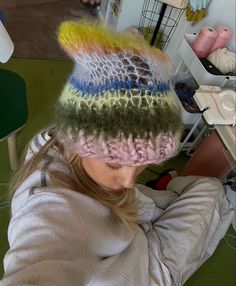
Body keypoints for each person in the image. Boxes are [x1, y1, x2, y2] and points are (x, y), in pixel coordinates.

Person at [0, 20, 234, 286]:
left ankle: (168, 188)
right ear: (77, 143)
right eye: (114, 164)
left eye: (143, 164)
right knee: (212, 190)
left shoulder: (65, 140)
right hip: (138, 273)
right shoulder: (48, 209)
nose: (129, 181)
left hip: (132, 235)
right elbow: (39, 258)